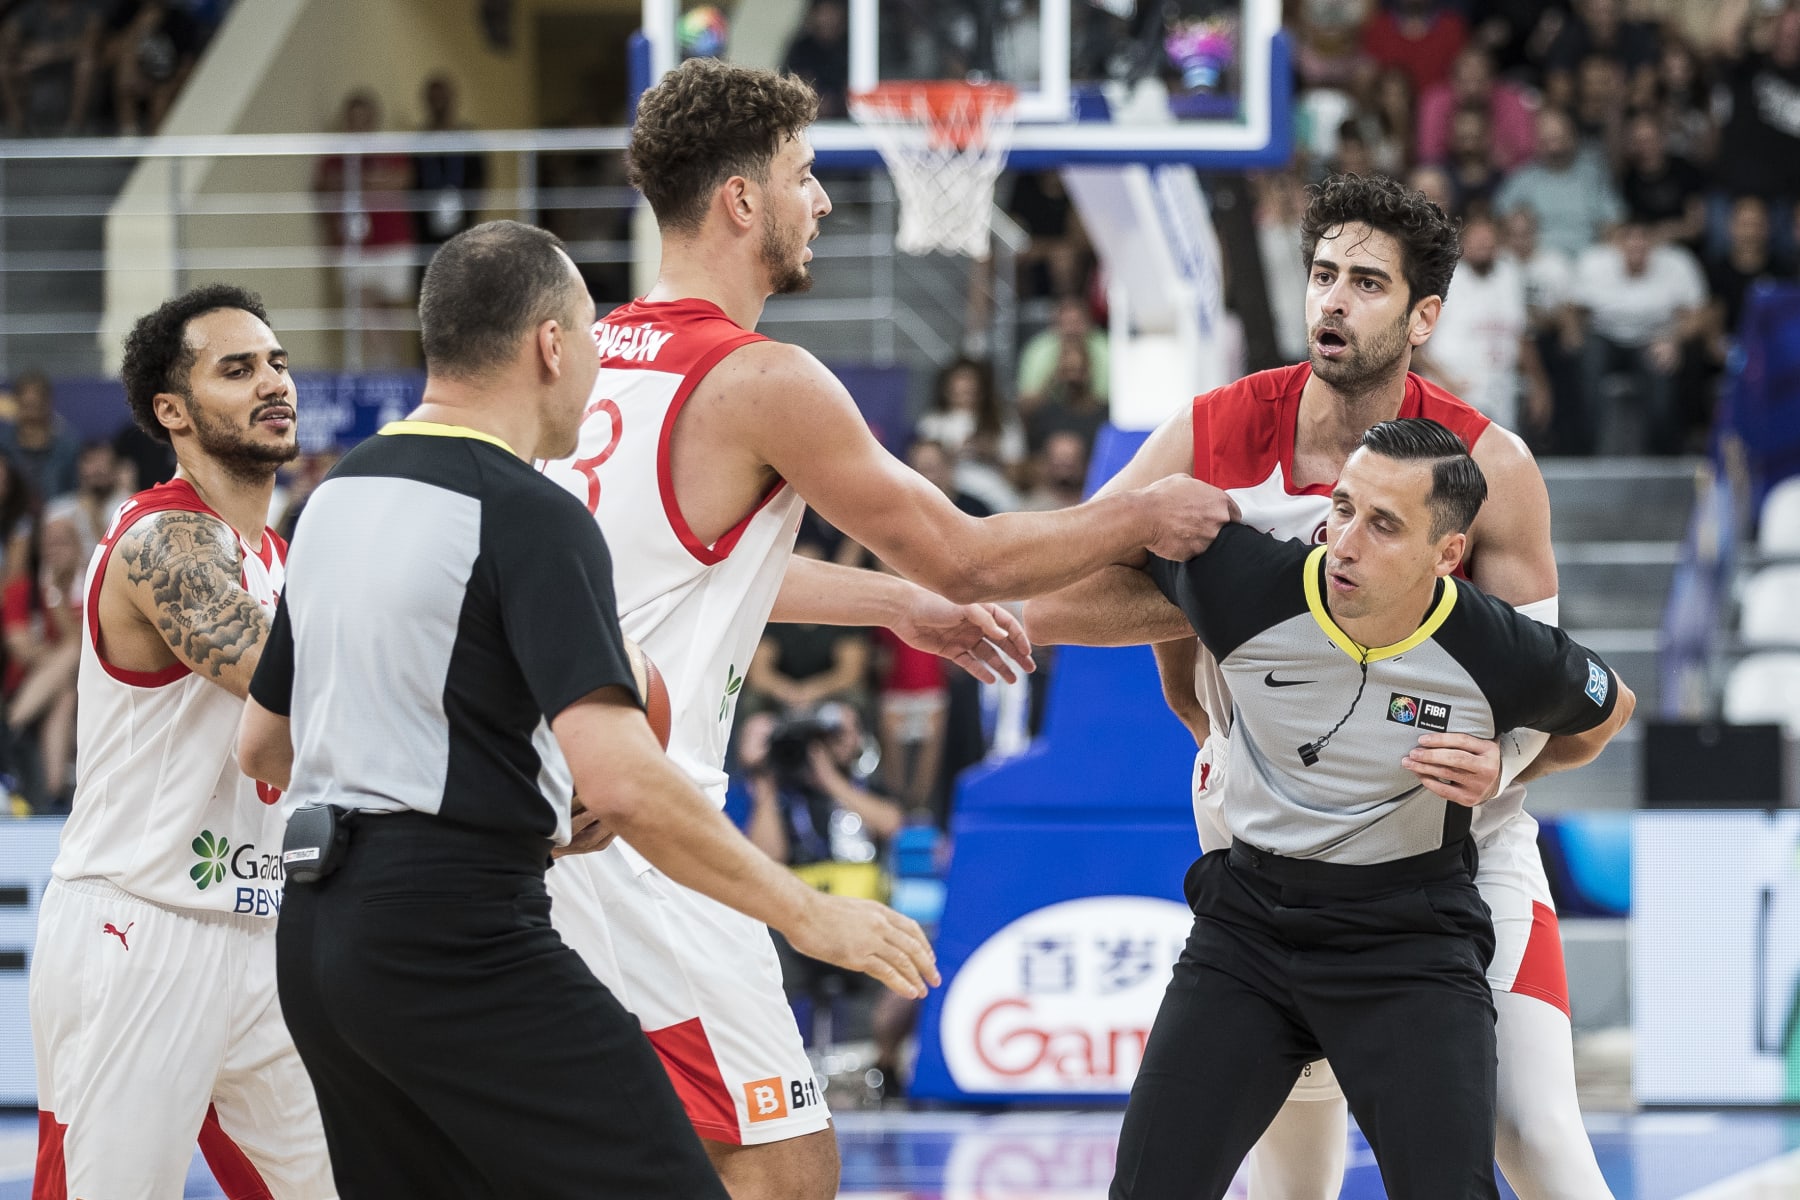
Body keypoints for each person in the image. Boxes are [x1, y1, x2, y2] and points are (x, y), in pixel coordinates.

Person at [536, 57, 1237, 1200]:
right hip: (643, 822)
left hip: (558, 803)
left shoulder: (600, 354)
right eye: (805, 176)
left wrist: (898, 604)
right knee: (785, 1167)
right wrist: (1139, 513)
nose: (821, 201)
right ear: (739, 200)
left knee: (655, 1155)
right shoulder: (761, 376)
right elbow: (963, 550)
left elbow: (705, 570)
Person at [236, 220, 938, 1199]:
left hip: (318, 936)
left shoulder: (333, 498)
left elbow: (263, 746)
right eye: (590, 342)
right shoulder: (530, 512)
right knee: (718, 1177)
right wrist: (809, 914)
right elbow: (620, 783)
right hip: (459, 919)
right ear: (552, 346)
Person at [1024, 174, 1622, 1200]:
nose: (1333, 302)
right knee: (1289, 1181)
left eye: (1368, 284)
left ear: (1425, 315)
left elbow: (1546, 688)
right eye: (1322, 275)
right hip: (1267, 853)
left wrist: (1504, 759)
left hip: (1451, 859)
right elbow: (1072, 578)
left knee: (1538, 1141)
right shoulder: (1213, 432)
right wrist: (1205, 643)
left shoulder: (1489, 464)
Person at [1108, 419, 1634, 1200]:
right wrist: (1176, 679)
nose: (1345, 540)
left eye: (1383, 525)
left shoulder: (1493, 647)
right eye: (1344, 507)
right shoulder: (1251, 580)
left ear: (1447, 556)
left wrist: (1506, 764)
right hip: (1248, 926)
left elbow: (1611, 706)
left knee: (1503, 1156)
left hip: (1408, 940)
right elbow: (1089, 577)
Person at [29, 284, 334, 1198]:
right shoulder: (161, 538)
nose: (271, 383)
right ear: (174, 412)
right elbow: (288, 678)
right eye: (236, 370)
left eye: (276, 363)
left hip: (261, 933)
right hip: (138, 926)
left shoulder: (283, 558)